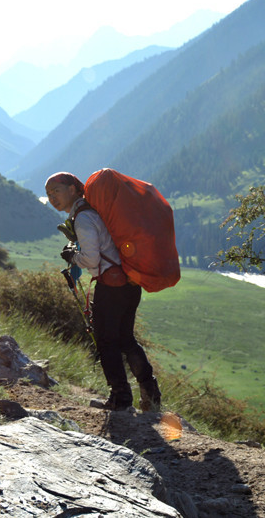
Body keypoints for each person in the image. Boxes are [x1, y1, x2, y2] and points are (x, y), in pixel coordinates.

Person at [44, 171, 162, 412]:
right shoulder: (95, 211)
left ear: (73, 189)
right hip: (129, 281)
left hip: (110, 287)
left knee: (107, 342)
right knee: (127, 340)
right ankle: (150, 395)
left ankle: (120, 399)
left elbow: (90, 258)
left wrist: (71, 255)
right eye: (48, 194)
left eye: (56, 191)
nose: (52, 198)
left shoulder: (83, 218)